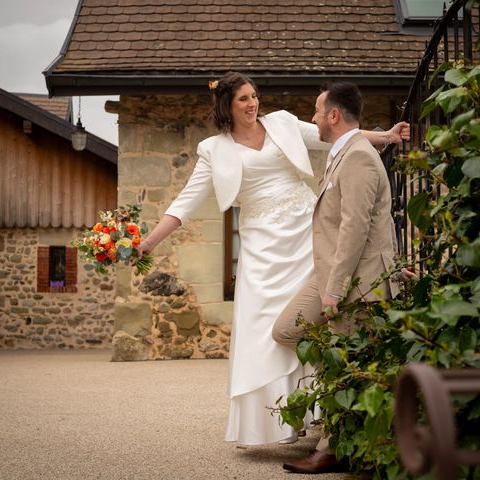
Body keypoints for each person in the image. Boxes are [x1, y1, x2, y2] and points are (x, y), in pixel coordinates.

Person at [138, 71, 410, 446]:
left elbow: (336, 137)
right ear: (227, 107)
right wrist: (149, 241)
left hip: (306, 237)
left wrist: (386, 136)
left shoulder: (282, 123)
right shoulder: (213, 150)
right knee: (264, 335)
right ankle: (279, 421)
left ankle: (323, 417)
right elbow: (186, 200)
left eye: (254, 96)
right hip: (261, 249)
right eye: (243, 100)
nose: (253, 104)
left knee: (319, 322)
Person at [272, 81, 409, 473]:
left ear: (333, 115)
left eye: (317, 111)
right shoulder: (342, 153)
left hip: (357, 281)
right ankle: (335, 423)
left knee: (346, 362)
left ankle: (333, 448)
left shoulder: (360, 157)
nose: (313, 118)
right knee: (285, 329)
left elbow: (356, 227)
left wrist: (334, 290)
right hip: (331, 272)